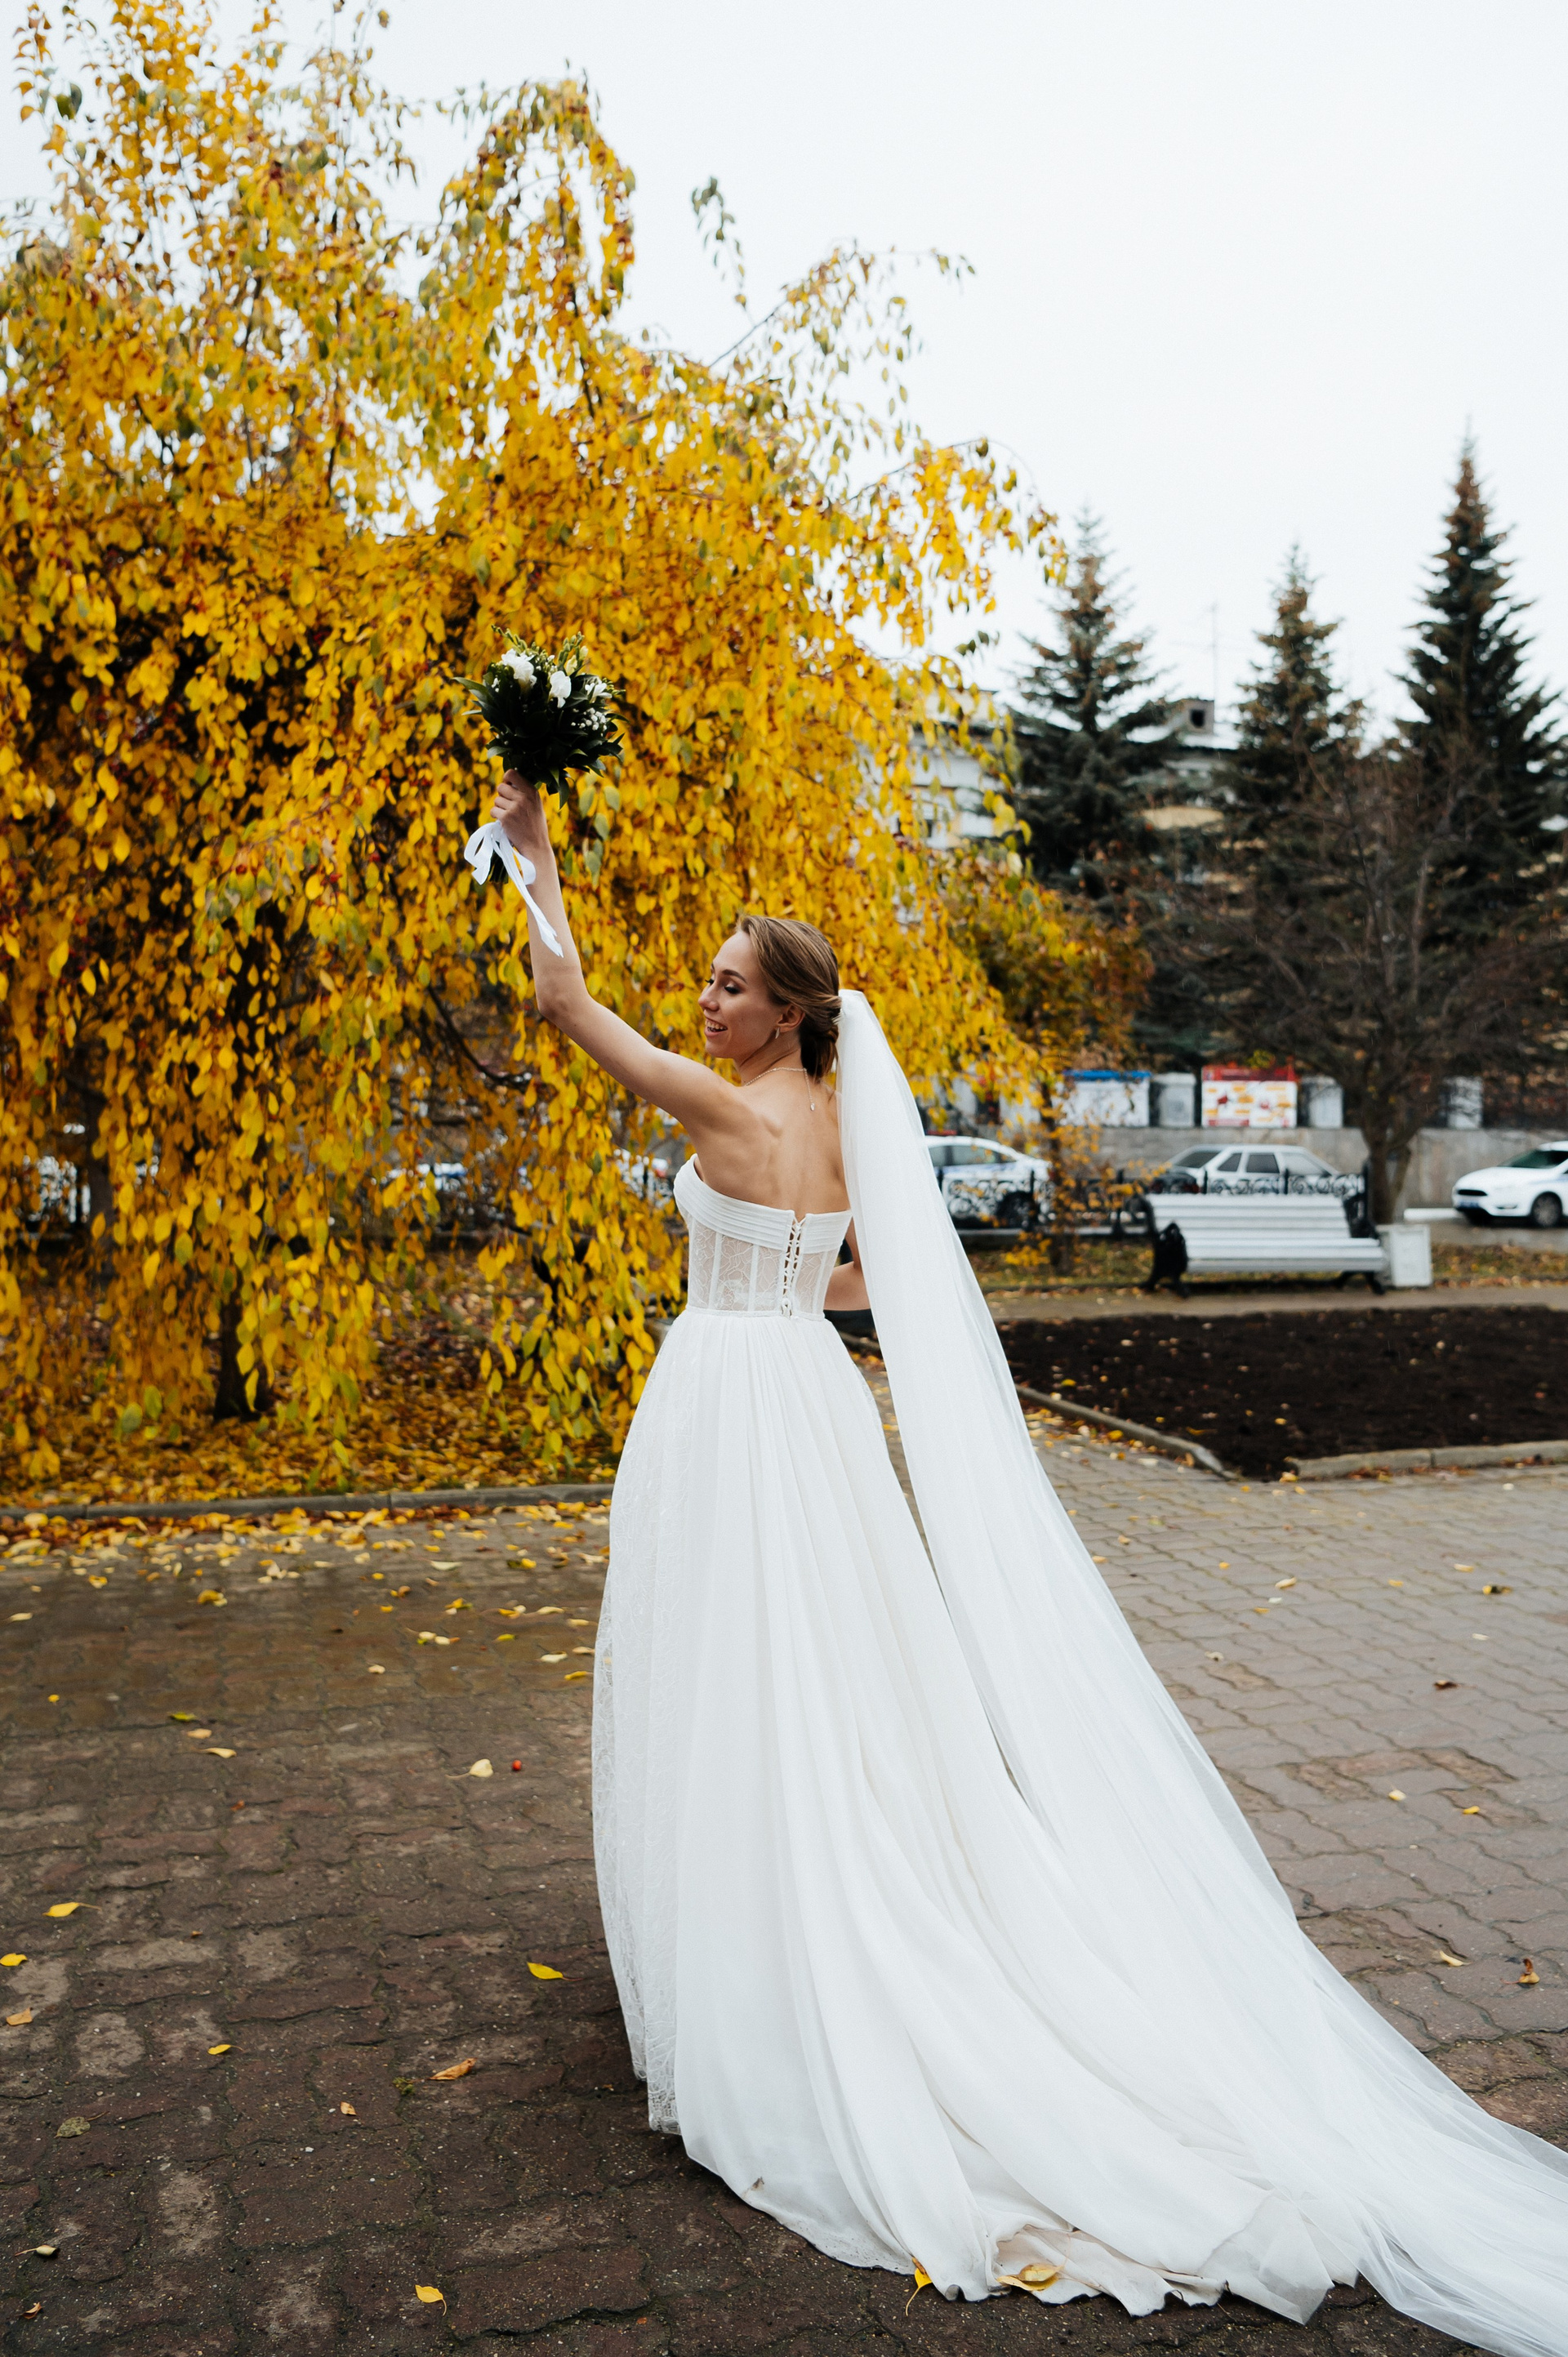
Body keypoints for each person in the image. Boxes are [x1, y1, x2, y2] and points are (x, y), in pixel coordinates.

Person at [492, 774, 1568, 2355]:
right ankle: (791, 1910)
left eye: (728, 985)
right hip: (806, 1400)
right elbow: (859, 1273)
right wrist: (772, 1268)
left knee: (737, 1666)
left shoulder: (727, 1111)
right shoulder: (836, 1132)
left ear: (786, 1014)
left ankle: (771, 1956)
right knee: (824, 1679)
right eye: (709, 983)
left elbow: (562, 1002)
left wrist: (532, 861)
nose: (705, 1002)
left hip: (728, 1400)